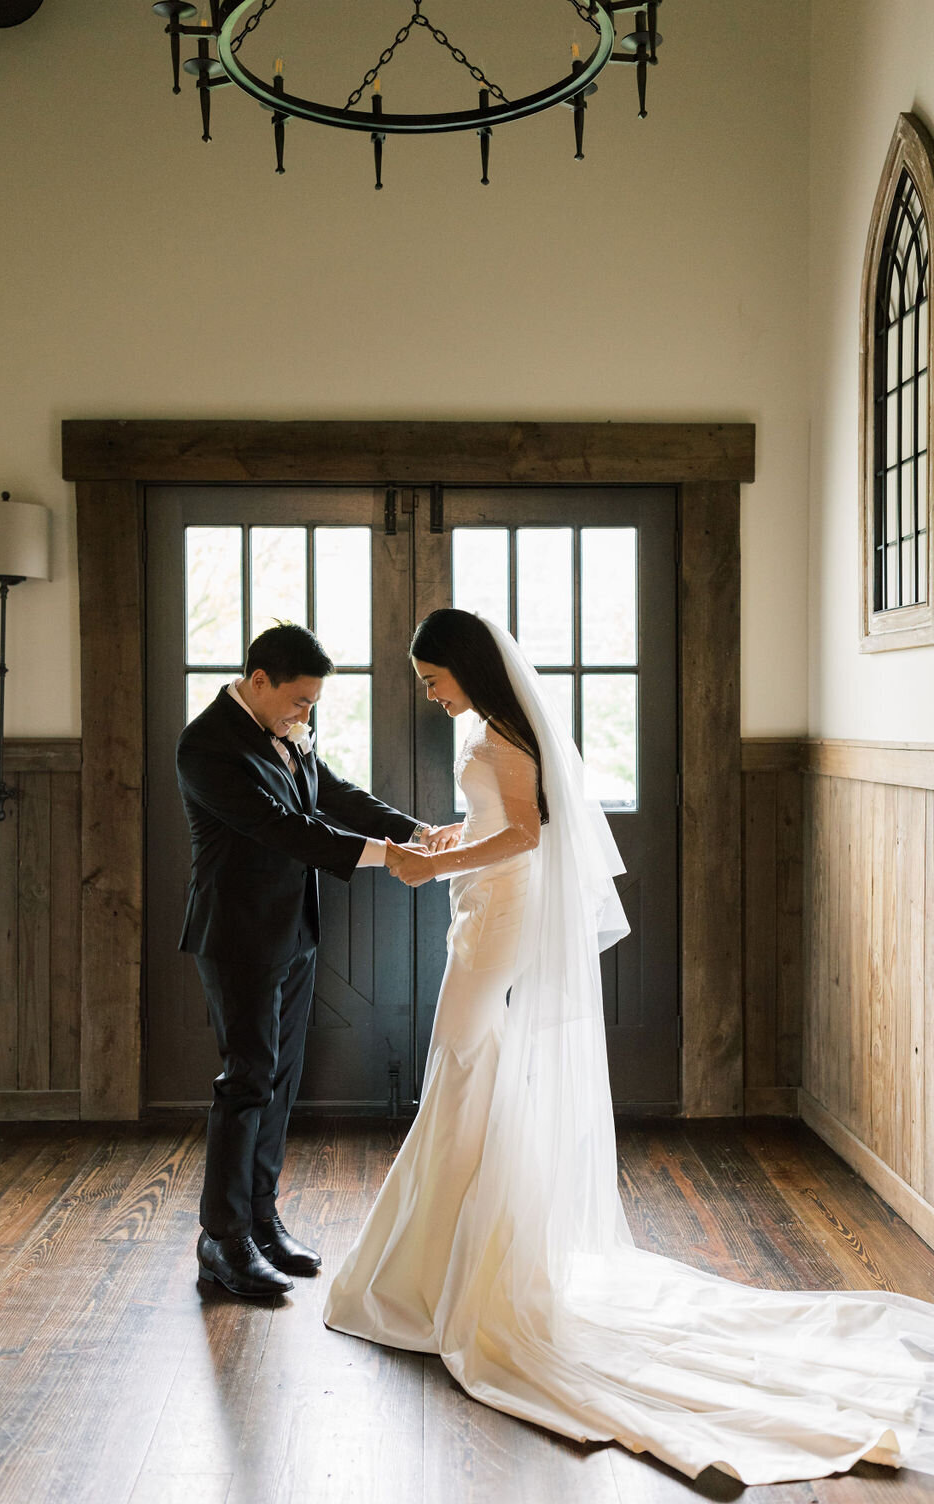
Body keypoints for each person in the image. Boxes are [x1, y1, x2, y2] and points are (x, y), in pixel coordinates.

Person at [324, 608, 934, 1485]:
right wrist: (447, 838)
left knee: (460, 1054)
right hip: (484, 909)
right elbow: (499, 823)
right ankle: (451, 1244)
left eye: (432, 677)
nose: (427, 691)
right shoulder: (490, 730)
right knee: (465, 1063)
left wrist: (436, 867)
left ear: (465, 668)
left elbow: (528, 837)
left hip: (498, 918)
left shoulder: (503, 738)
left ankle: (456, 1261)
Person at [176, 622, 426, 1298]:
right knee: (247, 1080)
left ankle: (261, 1217)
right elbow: (284, 829)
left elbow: (334, 795)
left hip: (293, 932)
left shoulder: (283, 731)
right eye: (299, 701)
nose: (305, 714)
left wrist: (416, 832)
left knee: (282, 1081)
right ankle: (220, 1241)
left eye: (312, 704)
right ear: (259, 680)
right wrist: (387, 858)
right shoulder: (205, 746)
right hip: (237, 938)